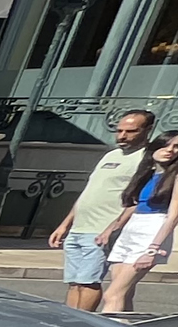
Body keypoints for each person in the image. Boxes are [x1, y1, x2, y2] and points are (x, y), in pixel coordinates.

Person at [46, 108, 153, 310]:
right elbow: (89, 192)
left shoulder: (147, 159)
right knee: (75, 281)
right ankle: (70, 322)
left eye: (131, 131)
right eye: (119, 130)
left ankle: (84, 326)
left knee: (88, 281)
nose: (122, 136)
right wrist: (65, 224)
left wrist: (112, 228)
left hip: (102, 229)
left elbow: (138, 199)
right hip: (79, 227)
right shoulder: (111, 155)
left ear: (148, 130)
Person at [98, 128, 178, 315]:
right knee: (124, 292)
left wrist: (153, 248)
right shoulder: (148, 173)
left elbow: (174, 215)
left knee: (112, 295)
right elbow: (134, 206)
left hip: (153, 230)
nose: (170, 150)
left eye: (177, 147)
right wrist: (112, 228)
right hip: (132, 229)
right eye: (166, 145)